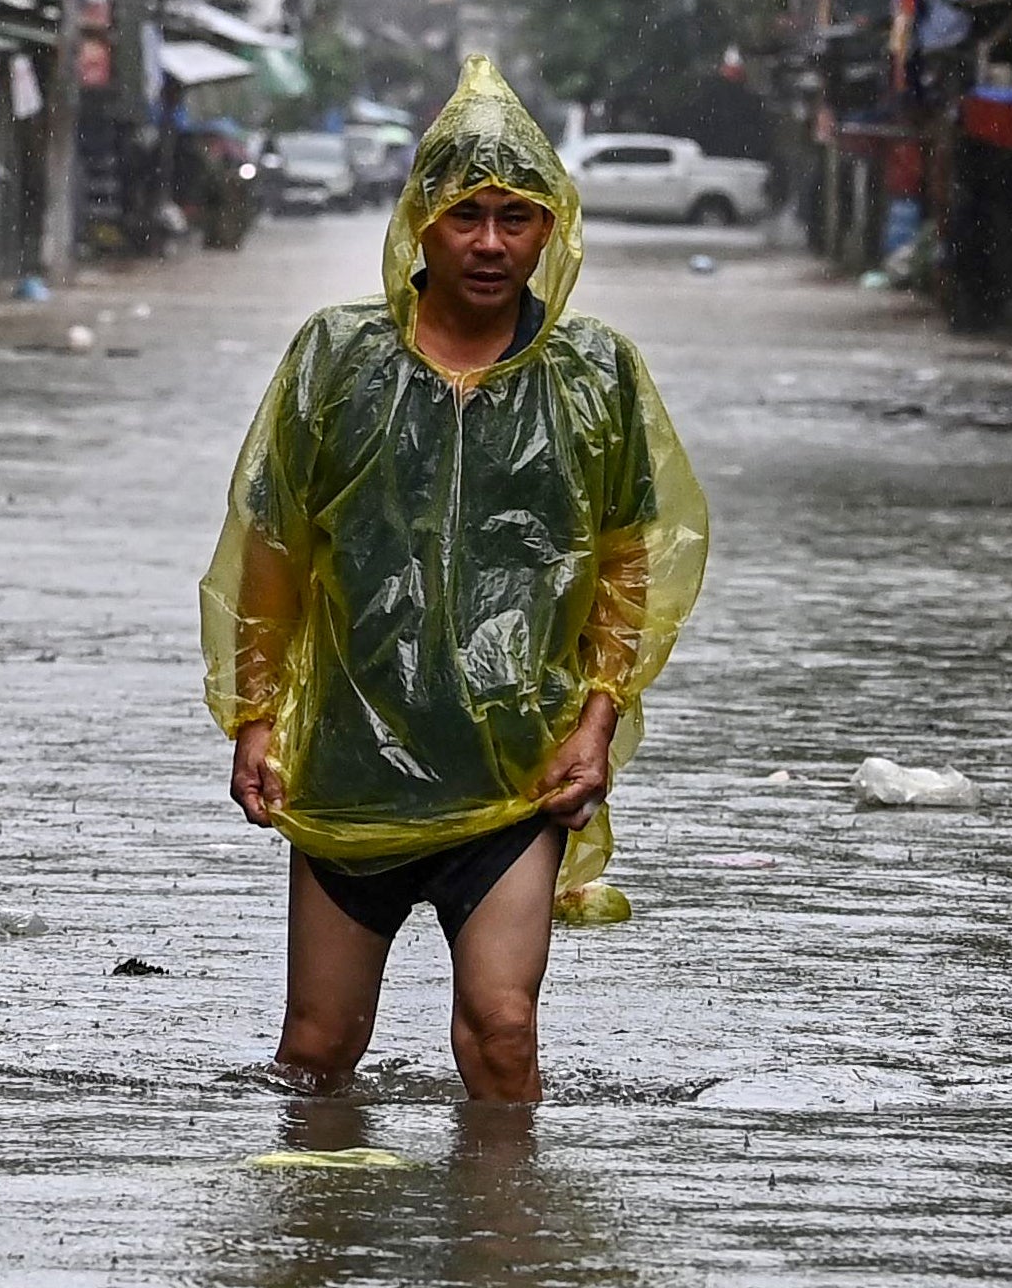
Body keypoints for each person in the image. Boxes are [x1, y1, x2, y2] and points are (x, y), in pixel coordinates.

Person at [202, 56, 708, 1104]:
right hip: (352, 760)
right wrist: (257, 714)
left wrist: (597, 719)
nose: (489, 242)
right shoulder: (336, 357)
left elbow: (628, 563)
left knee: (502, 1032)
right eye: (466, 213)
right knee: (317, 1049)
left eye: (515, 217)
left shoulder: (594, 372)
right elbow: (273, 547)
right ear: (420, 223)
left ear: (550, 230)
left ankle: (506, 1243)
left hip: (514, 768)